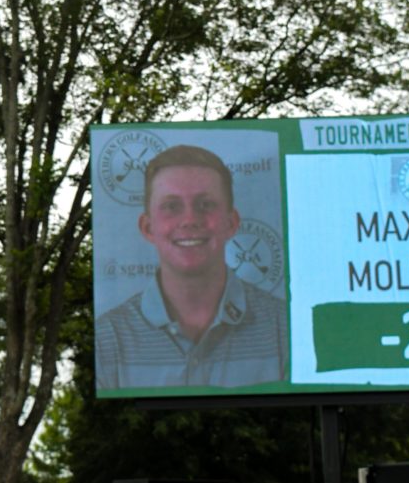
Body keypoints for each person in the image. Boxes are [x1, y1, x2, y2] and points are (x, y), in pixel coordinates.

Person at [94, 144, 287, 390]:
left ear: (232, 222)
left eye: (205, 204)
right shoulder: (107, 340)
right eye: (172, 206)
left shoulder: (284, 329)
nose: (189, 220)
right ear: (147, 227)